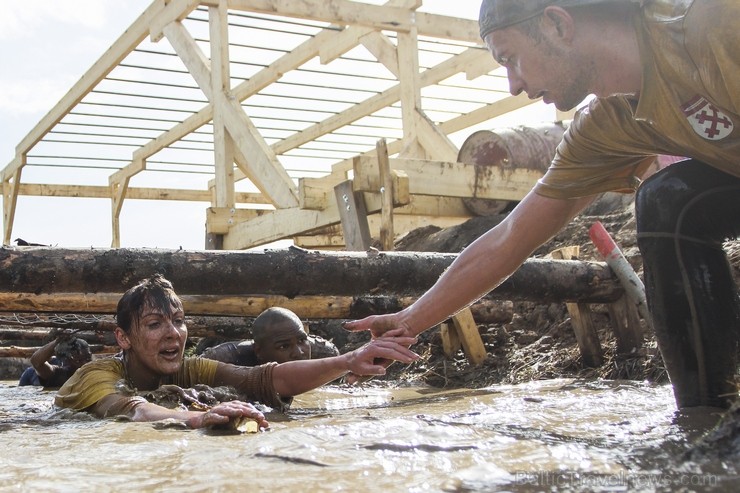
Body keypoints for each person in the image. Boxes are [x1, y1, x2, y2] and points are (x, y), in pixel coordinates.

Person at [344, 0, 739, 410]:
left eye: (510, 58)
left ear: (557, 24)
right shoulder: (611, 122)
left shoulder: (713, 25)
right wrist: (408, 321)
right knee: (665, 200)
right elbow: (510, 238)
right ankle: (708, 421)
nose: (512, 85)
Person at [55, 274, 418, 430]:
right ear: (124, 338)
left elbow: (263, 379)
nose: (173, 333)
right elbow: (131, 409)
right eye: (154, 324)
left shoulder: (188, 369)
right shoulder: (97, 376)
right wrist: (195, 418)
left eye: (178, 321)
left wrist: (349, 360)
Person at [201, 307, 339, 366]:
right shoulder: (224, 359)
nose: (299, 353)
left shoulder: (325, 354)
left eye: (302, 340)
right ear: (259, 352)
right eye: (284, 346)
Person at [18, 334, 92, 388]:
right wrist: (57, 341)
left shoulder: (94, 371)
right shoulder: (59, 375)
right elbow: (36, 362)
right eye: (78, 361)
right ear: (67, 361)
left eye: (88, 359)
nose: (85, 363)